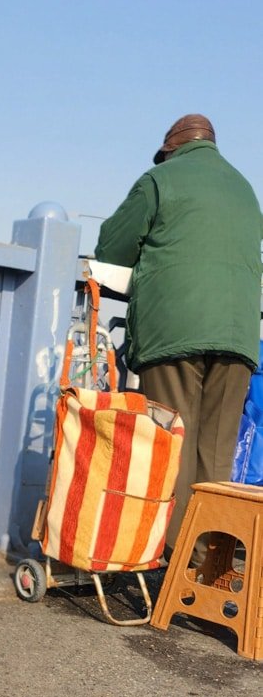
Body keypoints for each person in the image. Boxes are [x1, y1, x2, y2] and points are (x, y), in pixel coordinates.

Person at [94, 114, 262, 563]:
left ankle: (175, 563)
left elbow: (112, 246)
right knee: (216, 458)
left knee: (174, 446)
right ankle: (213, 567)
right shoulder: (245, 189)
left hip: (174, 332)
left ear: (171, 148)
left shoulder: (159, 179)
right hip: (239, 339)